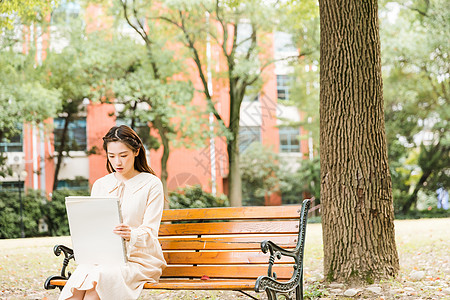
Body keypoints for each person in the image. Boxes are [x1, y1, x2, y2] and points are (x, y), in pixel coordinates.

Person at [59, 125, 167, 300]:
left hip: (140, 260)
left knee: (96, 287)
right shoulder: (101, 185)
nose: (117, 162)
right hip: (104, 258)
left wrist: (131, 234)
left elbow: (150, 231)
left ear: (136, 151)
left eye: (123, 155)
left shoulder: (151, 184)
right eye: (112, 156)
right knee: (78, 285)